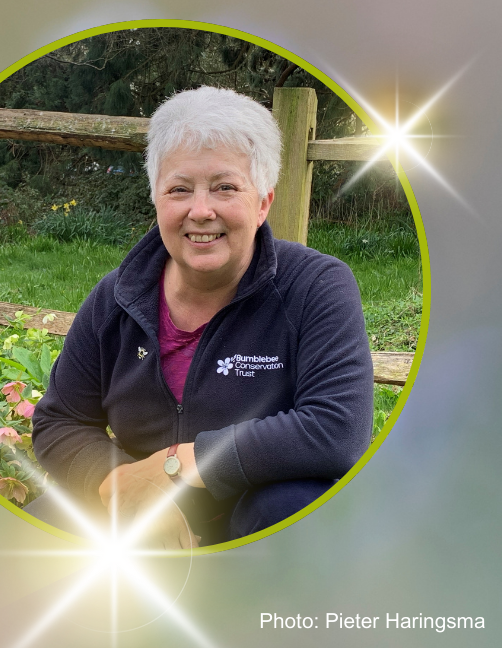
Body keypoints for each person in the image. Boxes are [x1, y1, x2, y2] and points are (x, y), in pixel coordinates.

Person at [29, 86, 373, 547]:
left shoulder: (316, 286)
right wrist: (128, 487)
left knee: (289, 507)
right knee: (35, 535)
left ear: (264, 202)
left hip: (261, 519)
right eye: (180, 189)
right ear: (157, 199)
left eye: (225, 187)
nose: (201, 210)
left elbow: (338, 428)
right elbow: (58, 420)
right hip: (142, 524)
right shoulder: (116, 297)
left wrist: (181, 462)